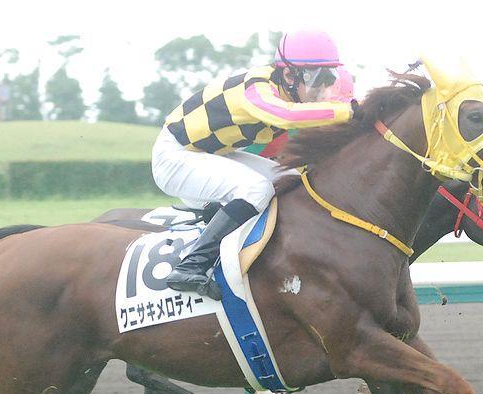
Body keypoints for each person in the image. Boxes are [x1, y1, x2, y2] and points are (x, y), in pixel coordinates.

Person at [153, 30, 357, 299]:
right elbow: (287, 117)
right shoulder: (257, 89)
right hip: (174, 157)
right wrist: (350, 111)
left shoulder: (287, 92)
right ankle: (191, 266)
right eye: (316, 78)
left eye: (328, 77)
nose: (322, 89)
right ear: (289, 75)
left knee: (293, 181)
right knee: (257, 189)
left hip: (210, 154)